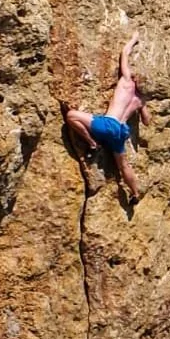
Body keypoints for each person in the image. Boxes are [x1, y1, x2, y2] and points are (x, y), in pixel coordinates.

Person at [64, 34, 146, 209]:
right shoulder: (140, 100)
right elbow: (147, 121)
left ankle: (92, 143)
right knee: (123, 165)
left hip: (109, 124)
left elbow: (124, 52)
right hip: (121, 132)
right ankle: (135, 193)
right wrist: (143, 106)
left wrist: (133, 39)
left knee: (71, 115)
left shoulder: (126, 82)